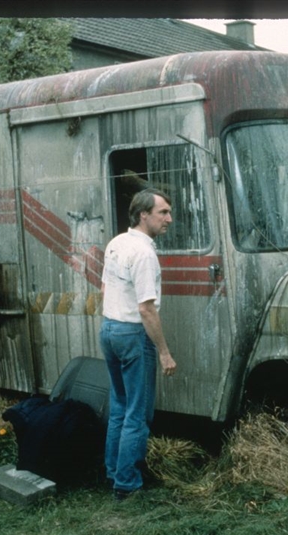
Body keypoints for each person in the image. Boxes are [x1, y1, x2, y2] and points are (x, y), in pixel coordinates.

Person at [99, 189, 177, 501]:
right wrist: (164, 352)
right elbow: (147, 309)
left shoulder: (117, 242)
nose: (169, 219)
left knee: (120, 406)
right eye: (163, 213)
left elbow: (105, 287)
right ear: (143, 215)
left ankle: (114, 471)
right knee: (137, 413)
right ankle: (127, 484)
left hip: (109, 329)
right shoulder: (144, 254)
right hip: (132, 333)